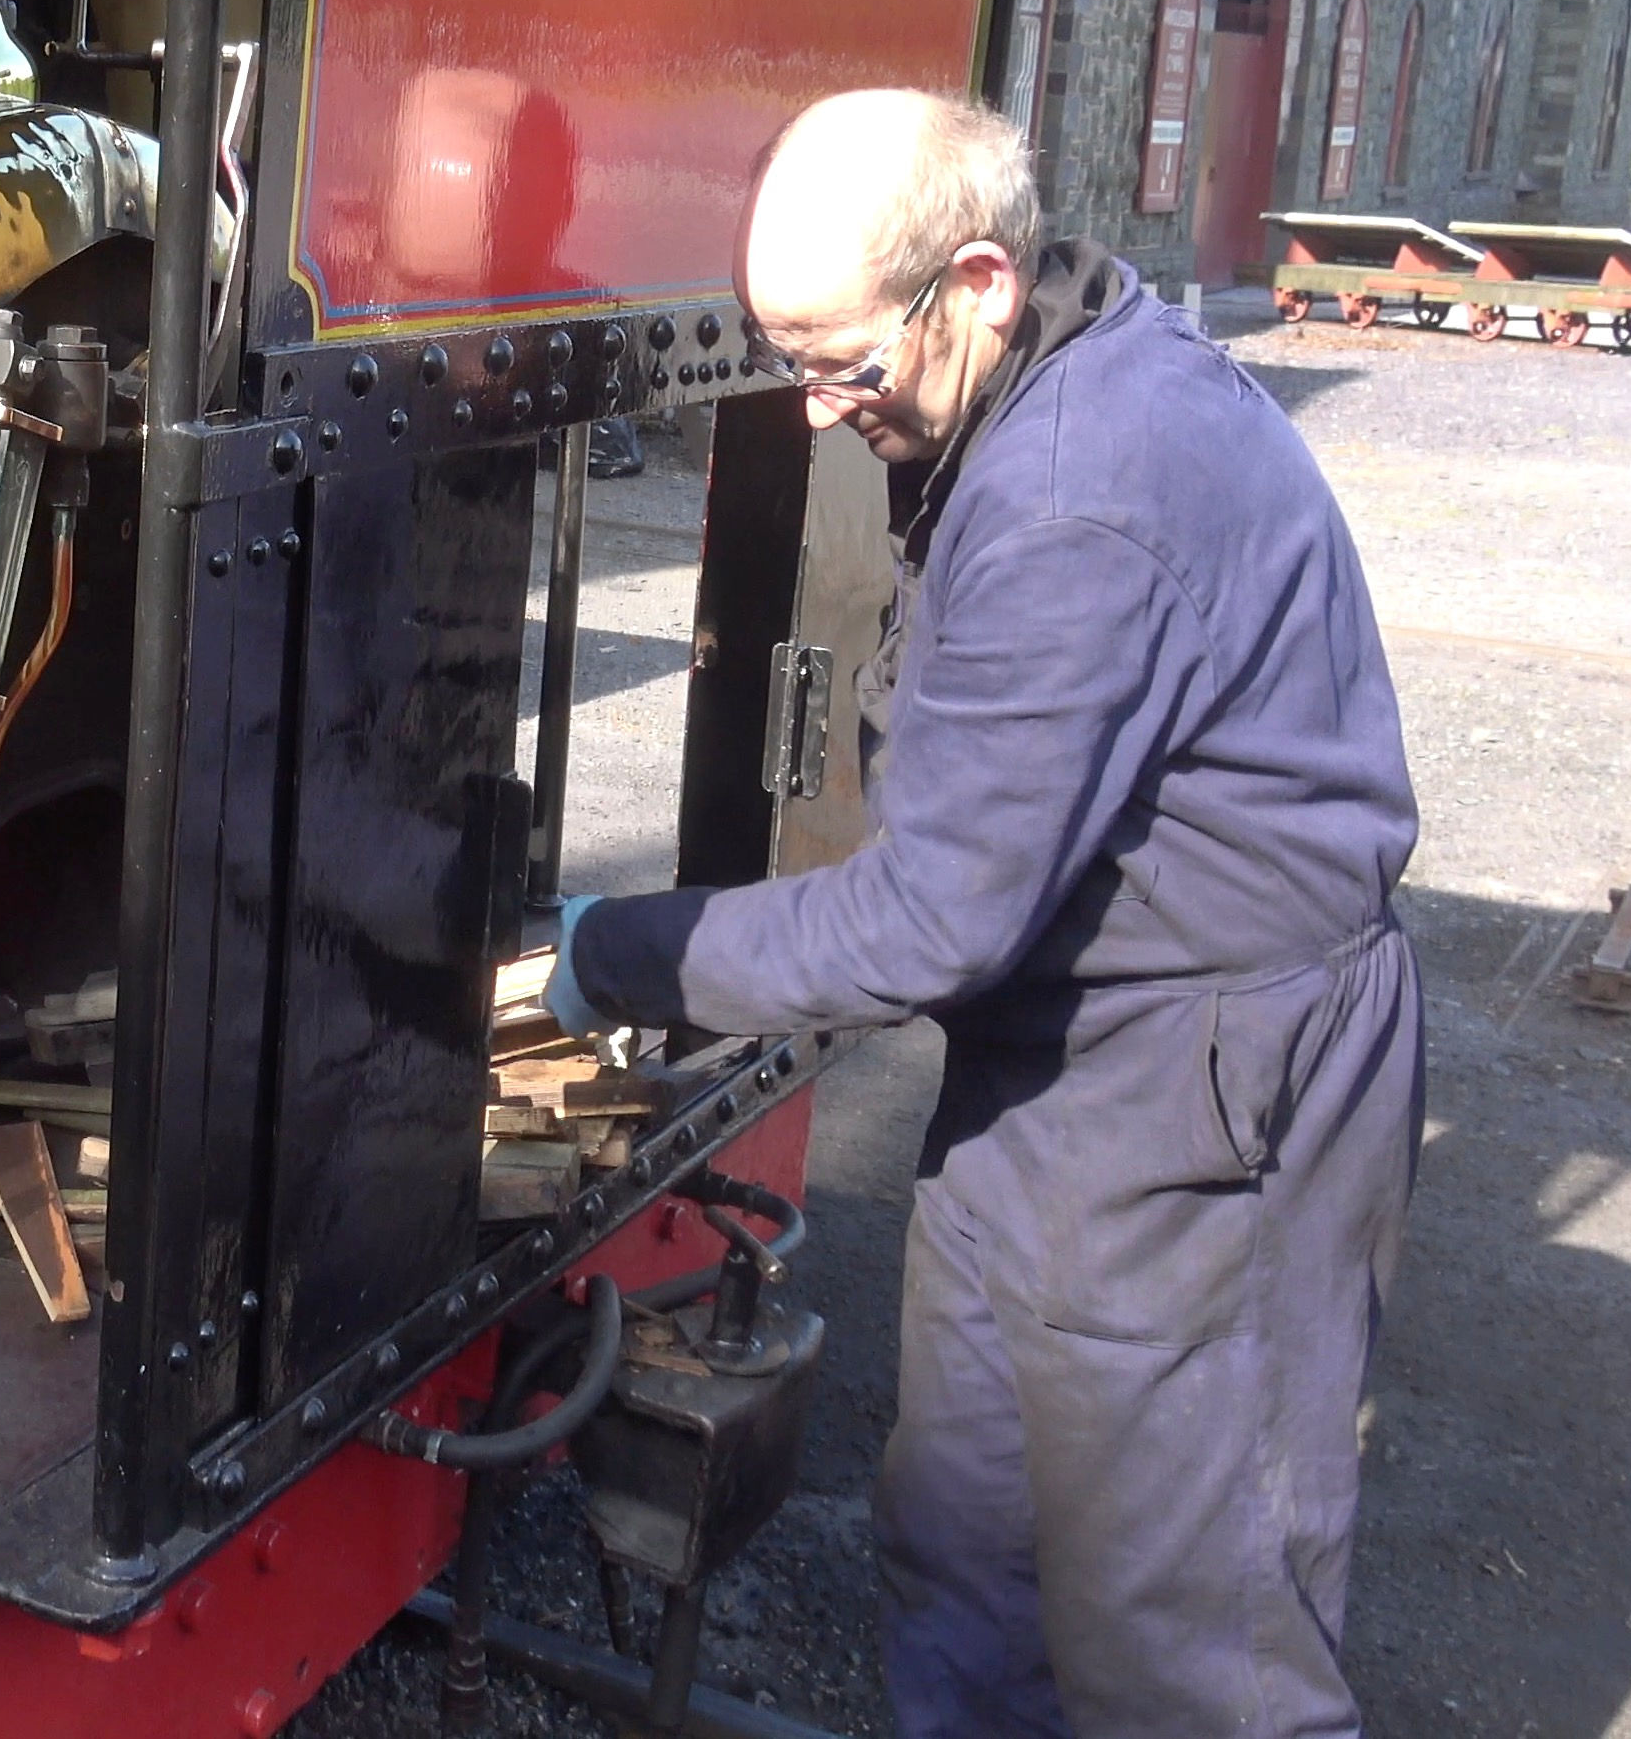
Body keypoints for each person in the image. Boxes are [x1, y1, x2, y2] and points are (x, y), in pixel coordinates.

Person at [546, 89, 1423, 1737]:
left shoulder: (1080, 498)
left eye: (837, 364)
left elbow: (926, 923)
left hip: (1207, 1082)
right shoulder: (1022, 393)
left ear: (977, 285)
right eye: (783, 357)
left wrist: (612, 952)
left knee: (1182, 1630)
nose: (815, 416)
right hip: (1067, 1058)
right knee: (970, 1541)